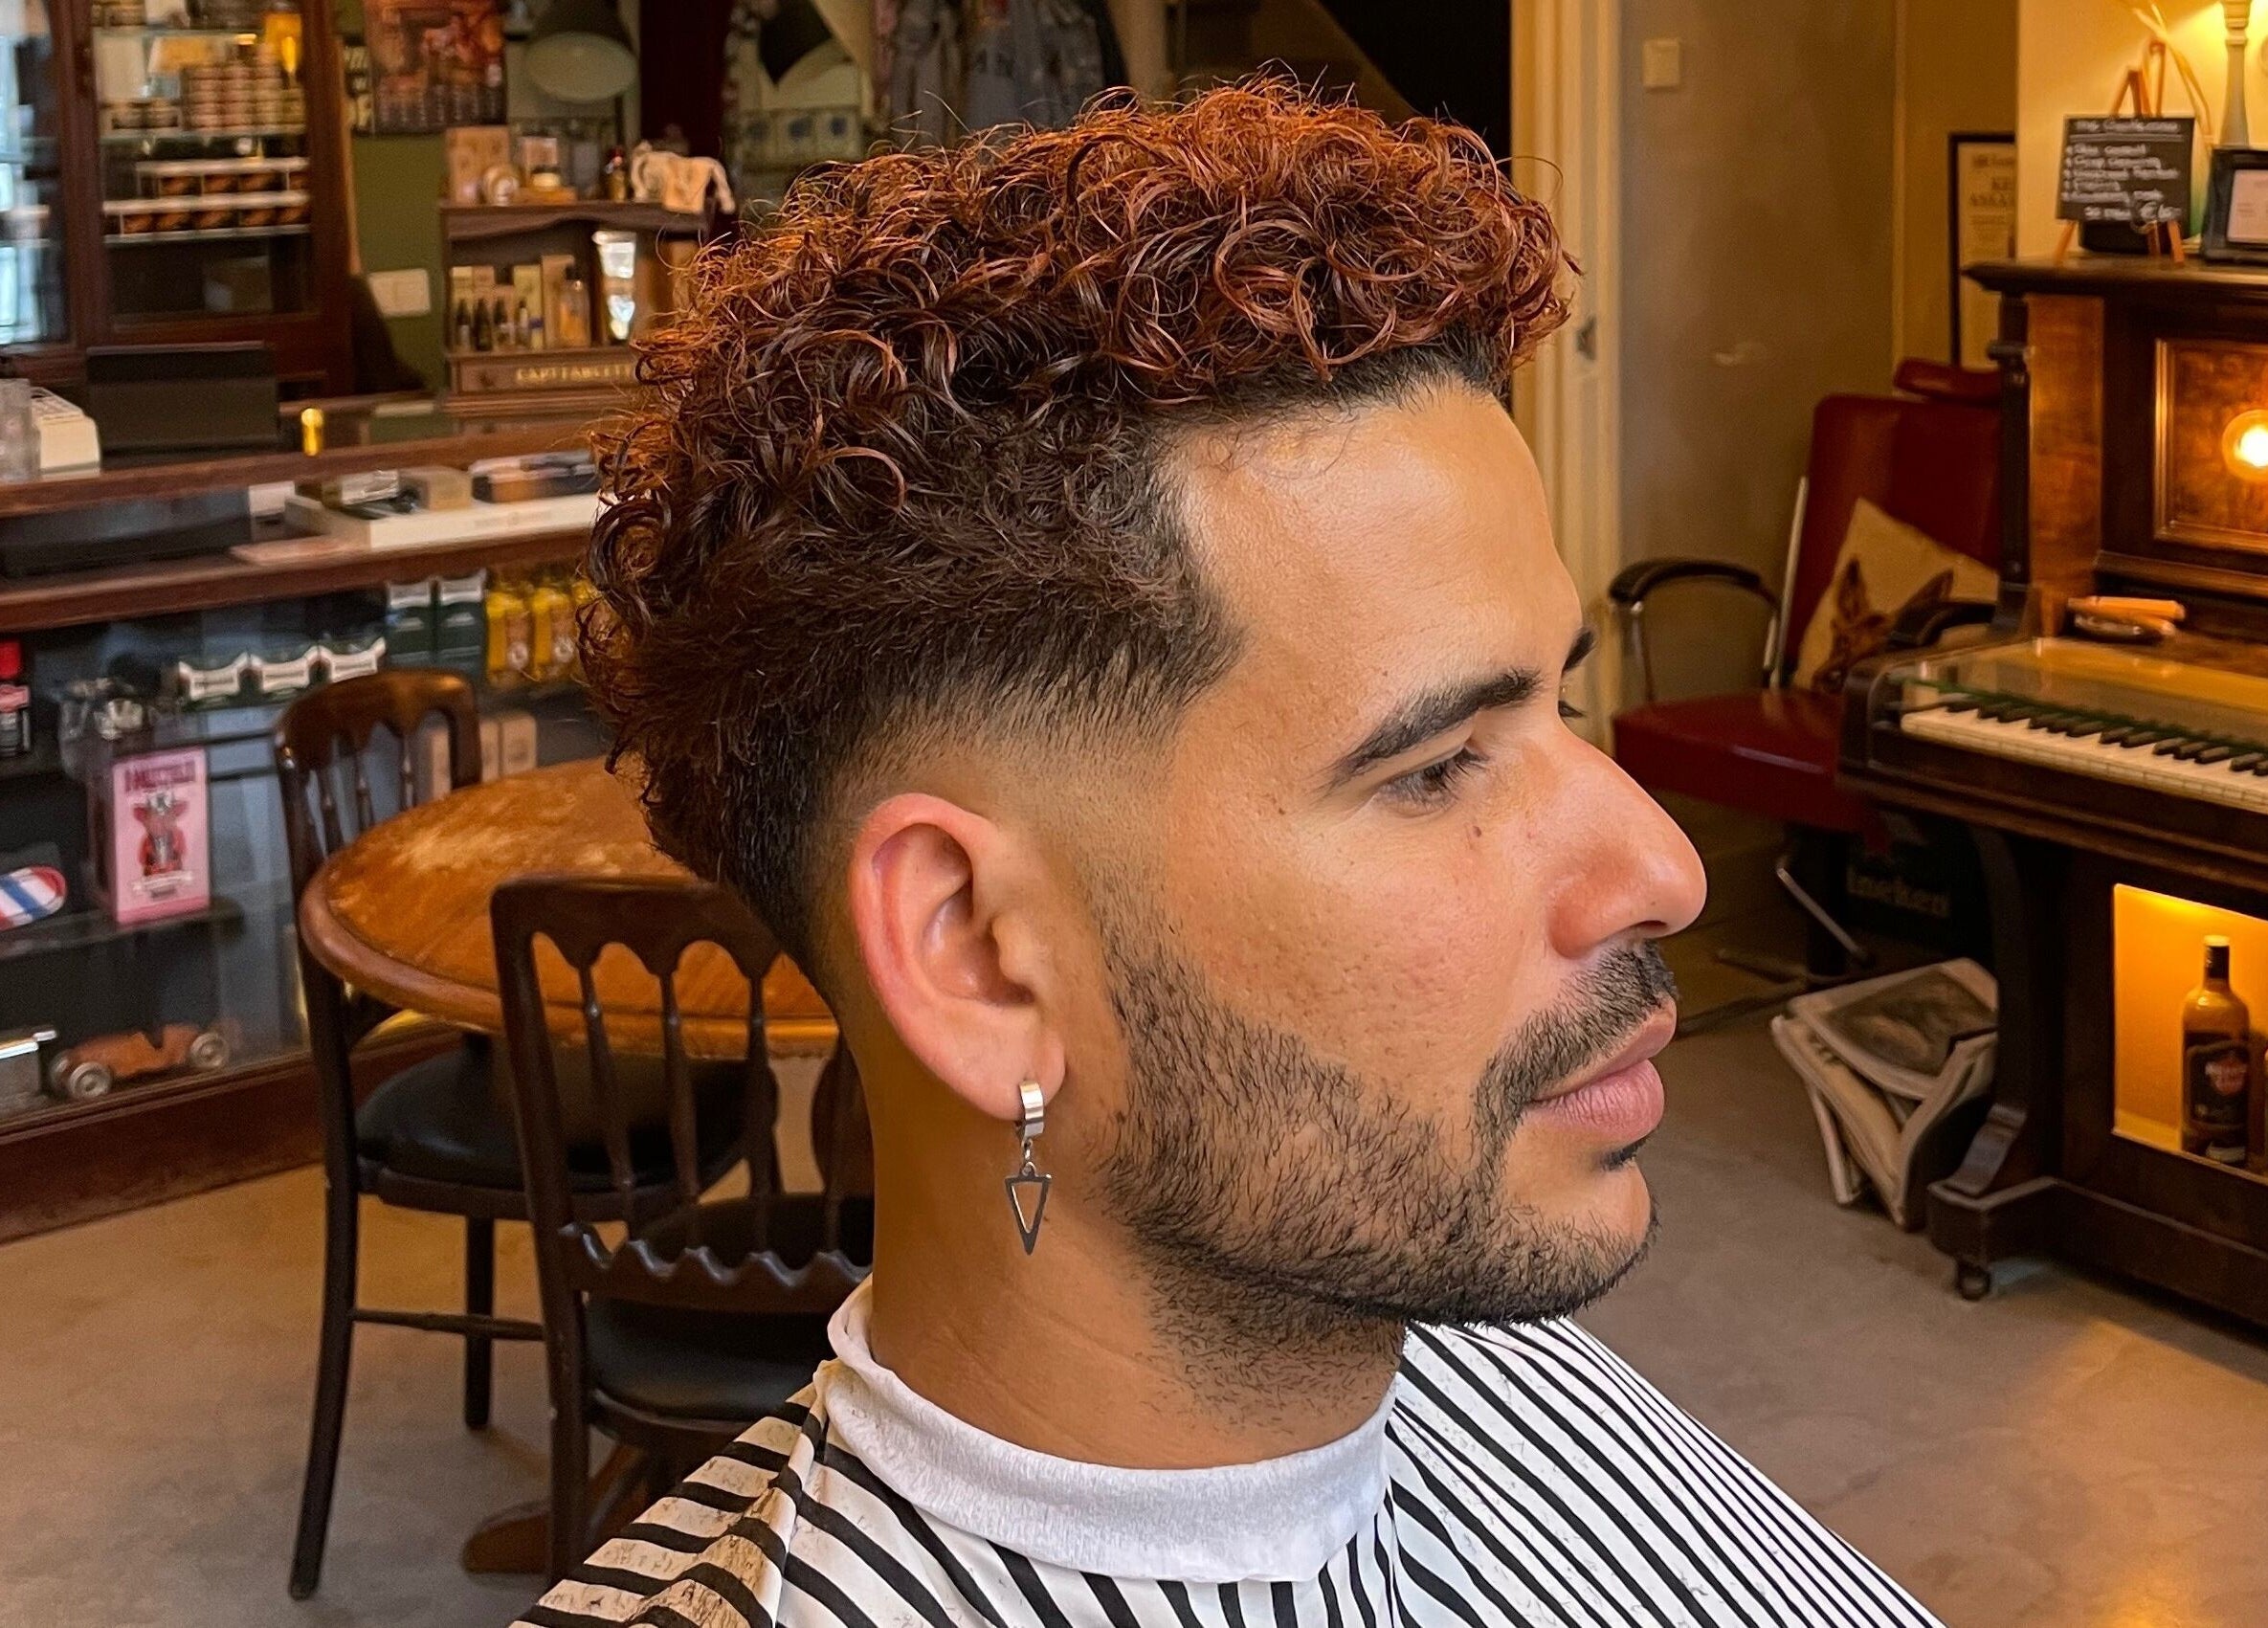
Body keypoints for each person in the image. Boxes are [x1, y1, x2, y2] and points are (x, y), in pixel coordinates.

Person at [520, 81, 1943, 1628]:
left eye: (1560, 702)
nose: (1662, 869)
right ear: (982, 953)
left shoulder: (1450, 1312)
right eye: (1436, 766)